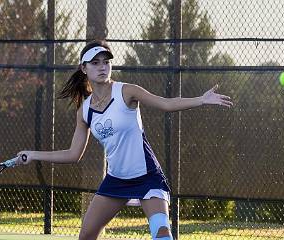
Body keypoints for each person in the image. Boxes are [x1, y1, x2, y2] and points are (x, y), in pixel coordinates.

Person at [16, 40, 233, 240]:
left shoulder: (127, 91)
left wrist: (201, 100)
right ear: (84, 68)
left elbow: (166, 104)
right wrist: (33, 155)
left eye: (106, 62)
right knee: (85, 236)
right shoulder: (84, 111)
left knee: (162, 232)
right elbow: (73, 154)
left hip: (148, 177)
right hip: (116, 180)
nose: (102, 67)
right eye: (95, 62)